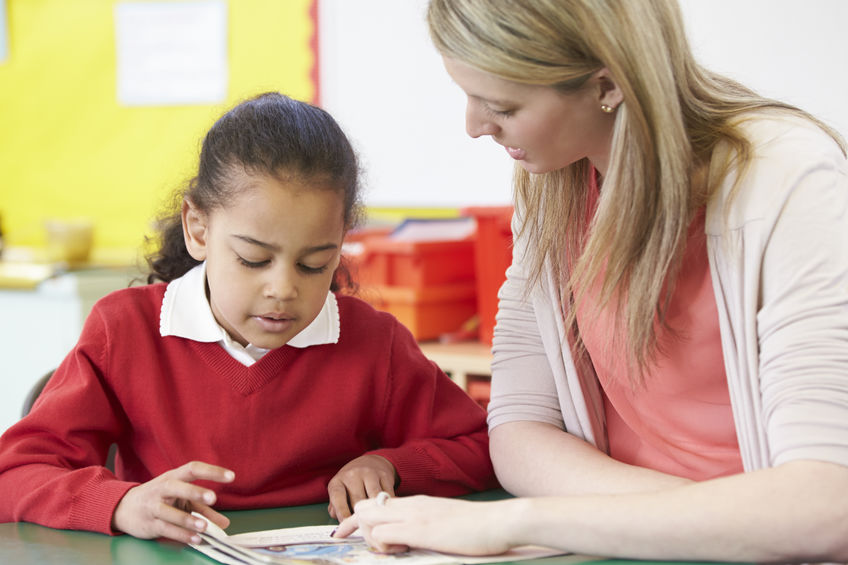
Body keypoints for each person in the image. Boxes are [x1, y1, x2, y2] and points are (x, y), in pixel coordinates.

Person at [334, 0, 848, 562]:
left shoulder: (789, 181)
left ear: (606, 84)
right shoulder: (553, 188)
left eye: (501, 105)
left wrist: (513, 522)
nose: (474, 127)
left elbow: (824, 503)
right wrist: (714, 520)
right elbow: (517, 433)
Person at [0, 92, 496, 545]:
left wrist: (391, 464)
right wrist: (120, 502)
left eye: (314, 264)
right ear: (198, 229)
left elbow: (484, 446)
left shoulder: (374, 343)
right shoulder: (124, 331)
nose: (282, 288)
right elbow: (16, 473)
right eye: (254, 259)